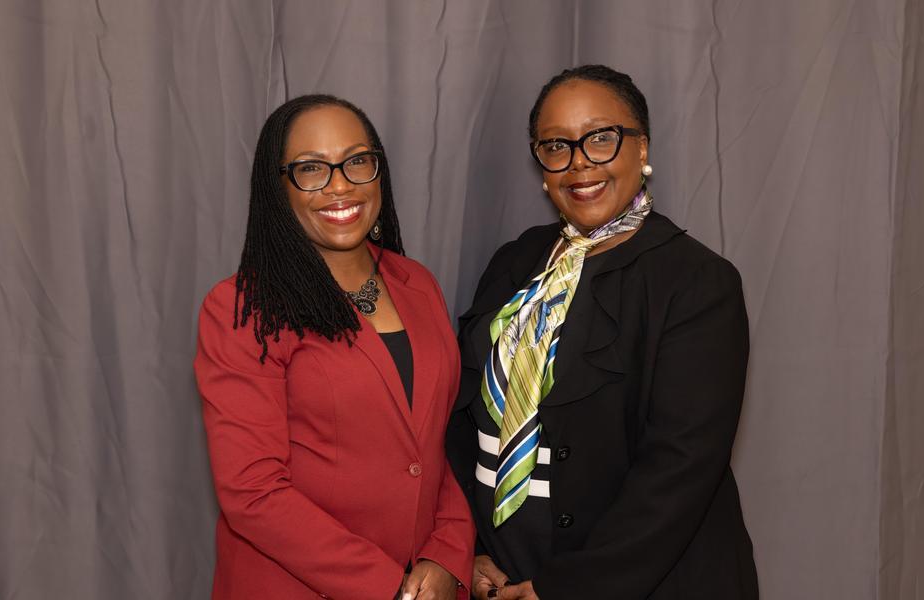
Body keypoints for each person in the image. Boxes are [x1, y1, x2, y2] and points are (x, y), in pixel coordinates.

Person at [446, 65, 758, 599]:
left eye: (601, 139)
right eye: (556, 146)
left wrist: (562, 590)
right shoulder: (516, 261)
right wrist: (467, 547)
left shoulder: (697, 283)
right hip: (503, 576)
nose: (579, 163)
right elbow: (461, 420)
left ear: (642, 149)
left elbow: (679, 469)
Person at [195, 94, 474, 600]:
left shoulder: (417, 283)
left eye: (356, 162)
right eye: (311, 169)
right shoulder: (244, 309)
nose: (340, 185)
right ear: (277, 187)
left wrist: (446, 552)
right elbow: (252, 491)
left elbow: (434, 445)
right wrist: (389, 588)